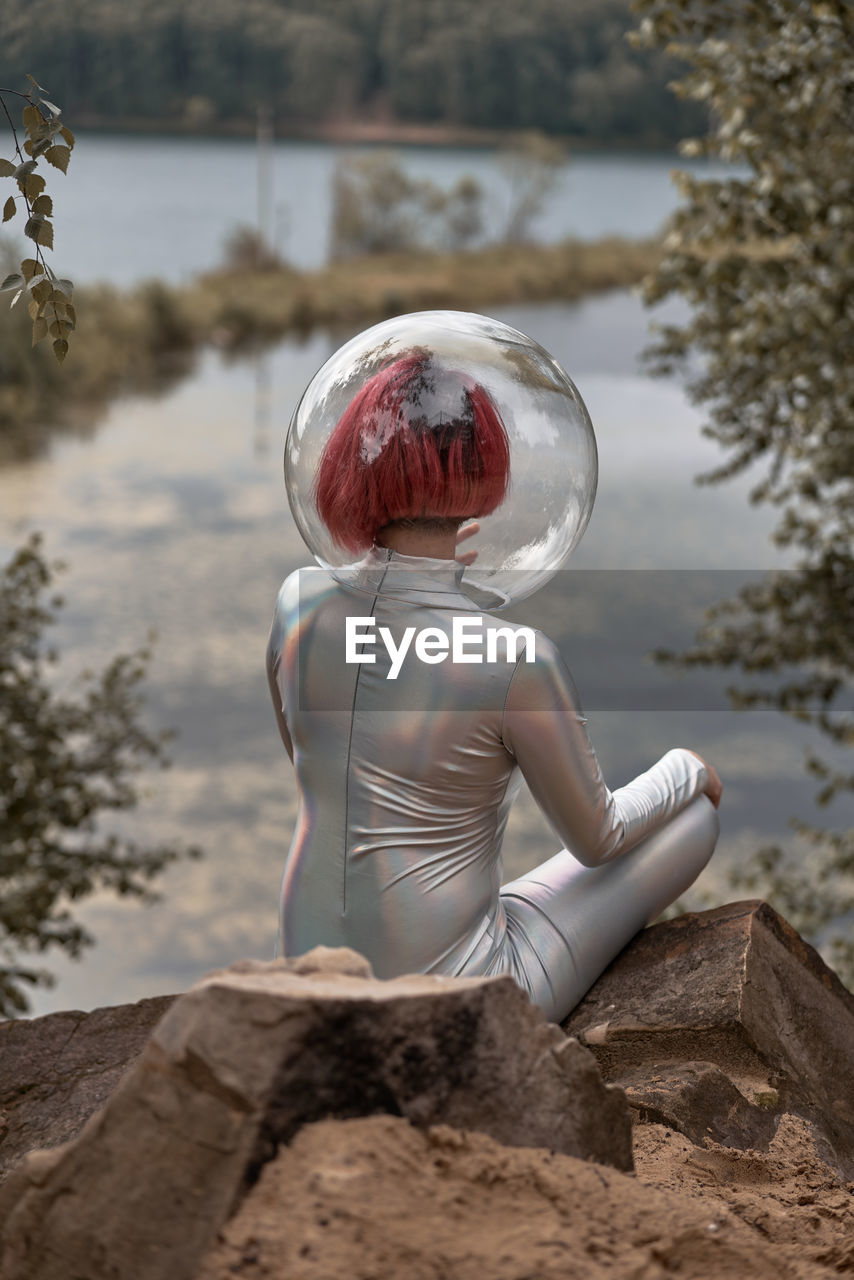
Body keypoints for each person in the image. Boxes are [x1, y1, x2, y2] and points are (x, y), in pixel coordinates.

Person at [267, 349, 721, 1023]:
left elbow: (315, 753)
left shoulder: (298, 602)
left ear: (349, 464)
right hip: (459, 1005)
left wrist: (434, 581)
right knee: (693, 820)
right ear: (484, 473)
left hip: (313, 968)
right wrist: (687, 770)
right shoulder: (515, 658)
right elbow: (597, 839)